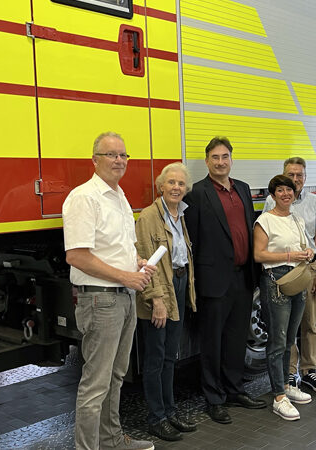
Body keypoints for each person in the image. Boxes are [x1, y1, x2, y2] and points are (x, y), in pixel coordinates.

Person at [63, 132, 156, 450]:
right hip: (101, 299)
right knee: (96, 383)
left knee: (116, 376)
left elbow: (116, 247)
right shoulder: (84, 197)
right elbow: (76, 256)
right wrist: (125, 277)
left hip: (123, 296)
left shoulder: (118, 196)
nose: (119, 160)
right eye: (111, 154)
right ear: (95, 159)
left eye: (123, 155)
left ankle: (112, 440)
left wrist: (137, 262)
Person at [183, 137, 267, 425]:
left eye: (225, 157)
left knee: (235, 339)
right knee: (212, 342)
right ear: (207, 162)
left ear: (232, 159)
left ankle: (234, 390)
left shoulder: (242, 188)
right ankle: (214, 398)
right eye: (215, 157)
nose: (220, 162)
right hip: (213, 280)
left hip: (243, 276)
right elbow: (191, 241)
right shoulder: (196, 194)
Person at [134, 163, 198, 441]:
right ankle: (156, 417)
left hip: (179, 283)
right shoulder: (149, 216)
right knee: (155, 357)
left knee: (171, 355)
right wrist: (157, 300)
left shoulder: (179, 214)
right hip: (161, 289)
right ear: (161, 187)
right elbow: (147, 263)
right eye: (171, 183)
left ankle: (170, 411)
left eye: (181, 184)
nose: (176, 187)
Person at [263, 157, 316, 392]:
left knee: (309, 323)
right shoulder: (270, 202)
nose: (295, 180)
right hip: (282, 272)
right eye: (290, 175)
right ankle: (289, 373)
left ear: (305, 177)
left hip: (308, 270)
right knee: (286, 327)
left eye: (299, 175)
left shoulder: (315, 203)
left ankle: (309, 370)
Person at [254, 175, 315, 420]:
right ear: (273, 195)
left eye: (289, 190)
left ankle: (288, 386)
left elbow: (307, 246)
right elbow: (259, 255)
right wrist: (290, 256)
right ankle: (278, 396)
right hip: (276, 281)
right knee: (277, 342)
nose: (285, 194)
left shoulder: (296, 218)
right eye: (280, 190)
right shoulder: (264, 221)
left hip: (298, 277)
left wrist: (308, 251)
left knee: (290, 338)